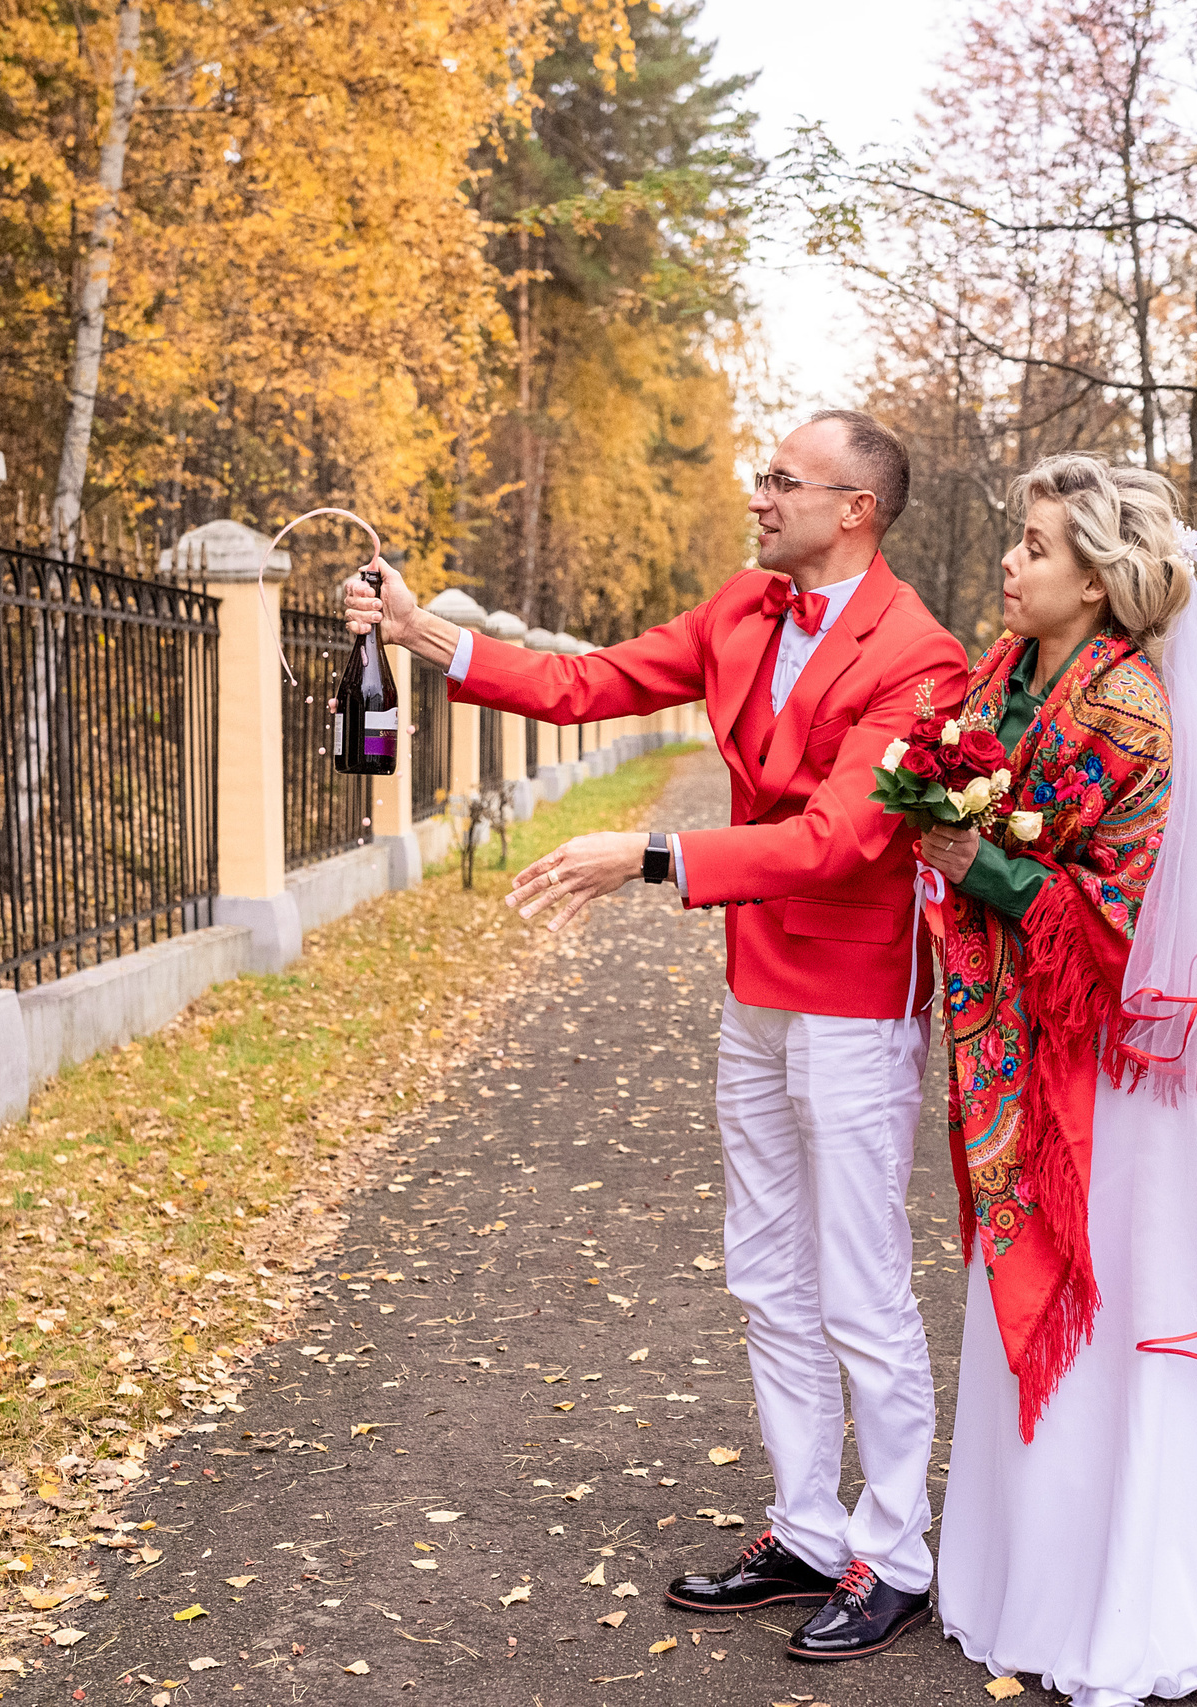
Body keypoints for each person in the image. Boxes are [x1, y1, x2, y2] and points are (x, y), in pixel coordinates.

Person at [343, 409, 967, 1664]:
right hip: (758, 984)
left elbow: (842, 839)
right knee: (766, 1271)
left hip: (855, 995)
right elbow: (587, 683)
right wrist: (419, 632)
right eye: (760, 475)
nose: (759, 496)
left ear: (855, 509)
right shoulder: (742, 606)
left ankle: (894, 1555)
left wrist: (653, 854)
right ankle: (806, 1530)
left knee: (860, 1285)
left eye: (782, 480)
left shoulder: (920, 654)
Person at [916, 455, 1197, 1702]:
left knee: (1116, 1313)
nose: (1010, 562)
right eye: (1018, 541)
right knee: (1022, 1292)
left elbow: (1127, 923)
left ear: (1096, 581)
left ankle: (1143, 1602)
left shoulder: (1134, 716)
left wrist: (982, 869)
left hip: (1114, 1078)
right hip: (1016, 1045)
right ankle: (1023, 1584)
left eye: (1035, 547)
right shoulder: (997, 680)